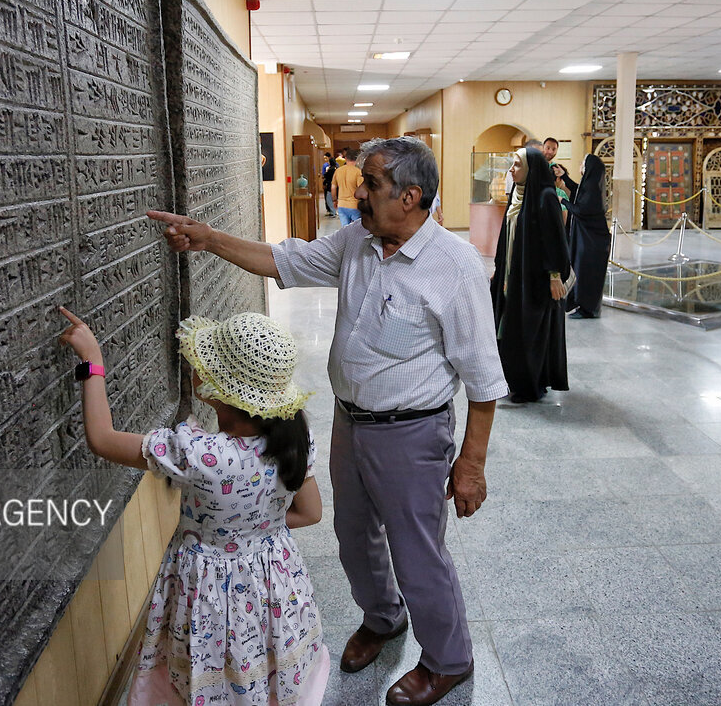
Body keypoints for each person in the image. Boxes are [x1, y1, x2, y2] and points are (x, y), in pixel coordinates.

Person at [147, 136, 507, 706]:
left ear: (411, 196)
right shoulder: (357, 241)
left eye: (372, 184)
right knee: (353, 536)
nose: (358, 193)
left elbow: (484, 380)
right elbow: (284, 260)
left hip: (413, 432)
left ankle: (448, 660)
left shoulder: (455, 266)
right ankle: (383, 617)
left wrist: (472, 463)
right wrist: (209, 239)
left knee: (417, 550)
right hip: (349, 422)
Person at [56, 307, 329, 706]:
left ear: (221, 389)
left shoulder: (199, 454)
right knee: (262, 666)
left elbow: (102, 438)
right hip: (276, 584)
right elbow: (310, 512)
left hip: (207, 592)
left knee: (211, 669)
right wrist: (250, 526)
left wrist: (92, 362)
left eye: (206, 363)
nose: (196, 367)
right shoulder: (296, 438)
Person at [490, 148, 570, 402]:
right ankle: (513, 379)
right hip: (513, 273)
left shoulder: (545, 197)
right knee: (510, 327)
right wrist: (499, 269)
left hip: (535, 278)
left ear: (530, 169)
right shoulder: (517, 193)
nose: (511, 170)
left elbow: (554, 239)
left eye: (516, 165)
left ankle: (530, 386)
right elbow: (506, 235)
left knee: (530, 330)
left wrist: (554, 276)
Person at [563, 154, 611, 320]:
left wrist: (563, 201)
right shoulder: (590, 185)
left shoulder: (592, 189)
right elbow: (577, 191)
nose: (580, 165)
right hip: (589, 242)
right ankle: (581, 305)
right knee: (582, 273)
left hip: (592, 244)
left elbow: (581, 210)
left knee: (586, 275)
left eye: (583, 163)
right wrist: (564, 176)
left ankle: (587, 309)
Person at [331, 146, 363, 226]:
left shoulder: (338, 171)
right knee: (357, 229)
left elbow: (333, 187)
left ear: (345, 158)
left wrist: (334, 200)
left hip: (341, 204)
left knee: (345, 228)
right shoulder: (358, 172)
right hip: (355, 205)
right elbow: (361, 189)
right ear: (357, 159)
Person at [321, 151, 336, 216]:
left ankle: (333, 211)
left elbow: (325, 176)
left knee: (329, 199)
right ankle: (333, 211)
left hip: (329, 185)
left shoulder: (330, 169)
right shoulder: (336, 168)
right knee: (333, 198)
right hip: (335, 185)